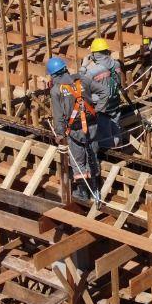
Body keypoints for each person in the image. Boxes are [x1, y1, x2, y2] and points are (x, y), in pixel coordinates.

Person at [48, 56, 100, 205]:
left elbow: (58, 116)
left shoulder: (56, 90)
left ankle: (83, 192)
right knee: (92, 155)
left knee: (78, 161)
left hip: (75, 130)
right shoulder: (81, 80)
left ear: (53, 75)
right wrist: (99, 110)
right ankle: (95, 187)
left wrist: (59, 134)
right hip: (92, 126)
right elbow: (103, 92)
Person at [79, 38, 125, 149]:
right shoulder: (116, 64)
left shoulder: (93, 71)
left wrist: (83, 67)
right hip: (115, 103)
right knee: (116, 128)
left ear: (94, 54)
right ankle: (119, 146)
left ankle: (110, 154)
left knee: (105, 135)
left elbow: (80, 83)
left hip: (102, 107)